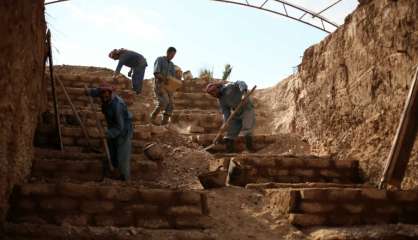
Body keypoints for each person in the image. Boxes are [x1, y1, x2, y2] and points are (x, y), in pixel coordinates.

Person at [86, 83, 133, 181]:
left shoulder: (117, 105)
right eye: (102, 95)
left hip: (123, 131)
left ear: (110, 93)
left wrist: (107, 134)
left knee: (122, 158)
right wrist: (88, 92)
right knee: (112, 154)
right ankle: (113, 176)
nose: (104, 97)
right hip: (112, 128)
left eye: (106, 95)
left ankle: (124, 181)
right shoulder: (102, 94)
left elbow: (120, 127)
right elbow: (95, 92)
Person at [206, 81, 256, 152]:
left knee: (247, 128)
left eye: (213, 92)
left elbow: (241, 83)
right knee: (231, 131)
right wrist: (225, 123)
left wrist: (244, 93)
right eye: (211, 94)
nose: (213, 95)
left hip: (247, 109)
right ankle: (229, 151)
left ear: (217, 89)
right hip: (237, 112)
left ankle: (250, 149)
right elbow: (225, 112)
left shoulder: (229, 86)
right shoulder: (220, 100)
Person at [150, 47, 177, 125]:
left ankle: (164, 123)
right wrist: (165, 79)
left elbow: (173, 78)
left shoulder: (172, 65)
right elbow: (156, 73)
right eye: (172, 54)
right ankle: (152, 117)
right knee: (164, 101)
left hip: (168, 87)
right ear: (167, 52)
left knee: (171, 104)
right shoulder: (160, 60)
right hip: (160, 85)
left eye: (174, 55)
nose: (172, 56)